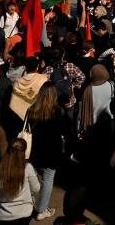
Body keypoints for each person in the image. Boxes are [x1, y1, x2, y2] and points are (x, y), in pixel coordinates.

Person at [28, 82, 68, 221]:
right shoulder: (58, 112)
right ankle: (41, 210)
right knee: (48, 180)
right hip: (52, 151)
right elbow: (67, 132)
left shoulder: (32, 109)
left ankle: (30, 200)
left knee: (32, 174)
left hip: (35, 150)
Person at [0, 137, 40, 225]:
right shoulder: (27, 167)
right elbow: (36, 188)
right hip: (24, 214)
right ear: (24, 151)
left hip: (2, 216)